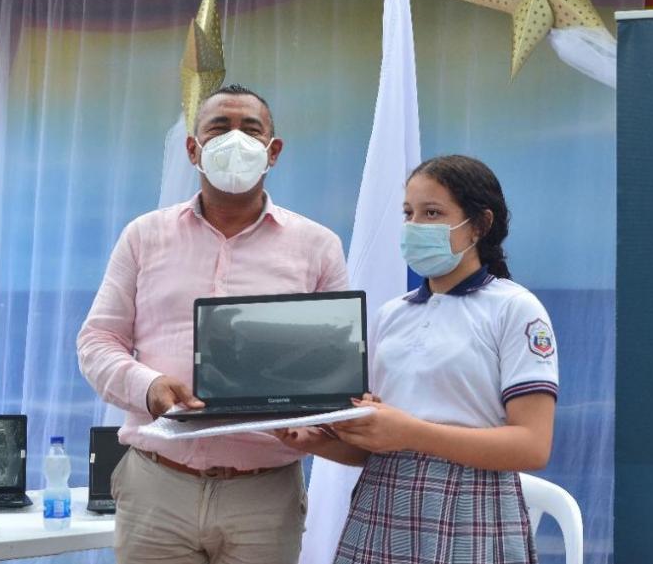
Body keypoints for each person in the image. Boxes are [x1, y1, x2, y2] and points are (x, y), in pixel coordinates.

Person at [77, 84, 349, 564]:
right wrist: (149, 387)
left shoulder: (318, 246)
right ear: (193, 149)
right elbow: (98, 340)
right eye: (219, 128)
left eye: (251, 130)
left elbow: (335, 362)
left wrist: (309, 418)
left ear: (273, 151)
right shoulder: (144, 236)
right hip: (158, 483)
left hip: (265, 494)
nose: (235, 140)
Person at [278, 154, 558, 564]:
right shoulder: (392, 314)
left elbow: (532, 446)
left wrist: (411, 432)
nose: (414, 226)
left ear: (480, 224)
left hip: (471, 509)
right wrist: (316, 440)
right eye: (408, 213)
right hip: (382, 505)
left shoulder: (515, 309)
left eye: (433, 213)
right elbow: (376, 445)